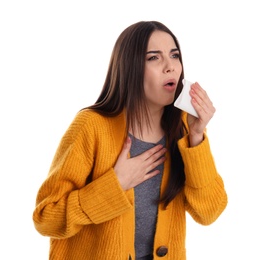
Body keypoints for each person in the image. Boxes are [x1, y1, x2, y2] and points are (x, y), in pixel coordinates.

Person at [32, 20, 228, 260]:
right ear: (130, 67)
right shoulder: (92, 125)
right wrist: (115, 184)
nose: (171, 67)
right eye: (154, 58)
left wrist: (197, 137)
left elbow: (209, 212)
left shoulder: (185, 131)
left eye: (174, 55)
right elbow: (45, 218)